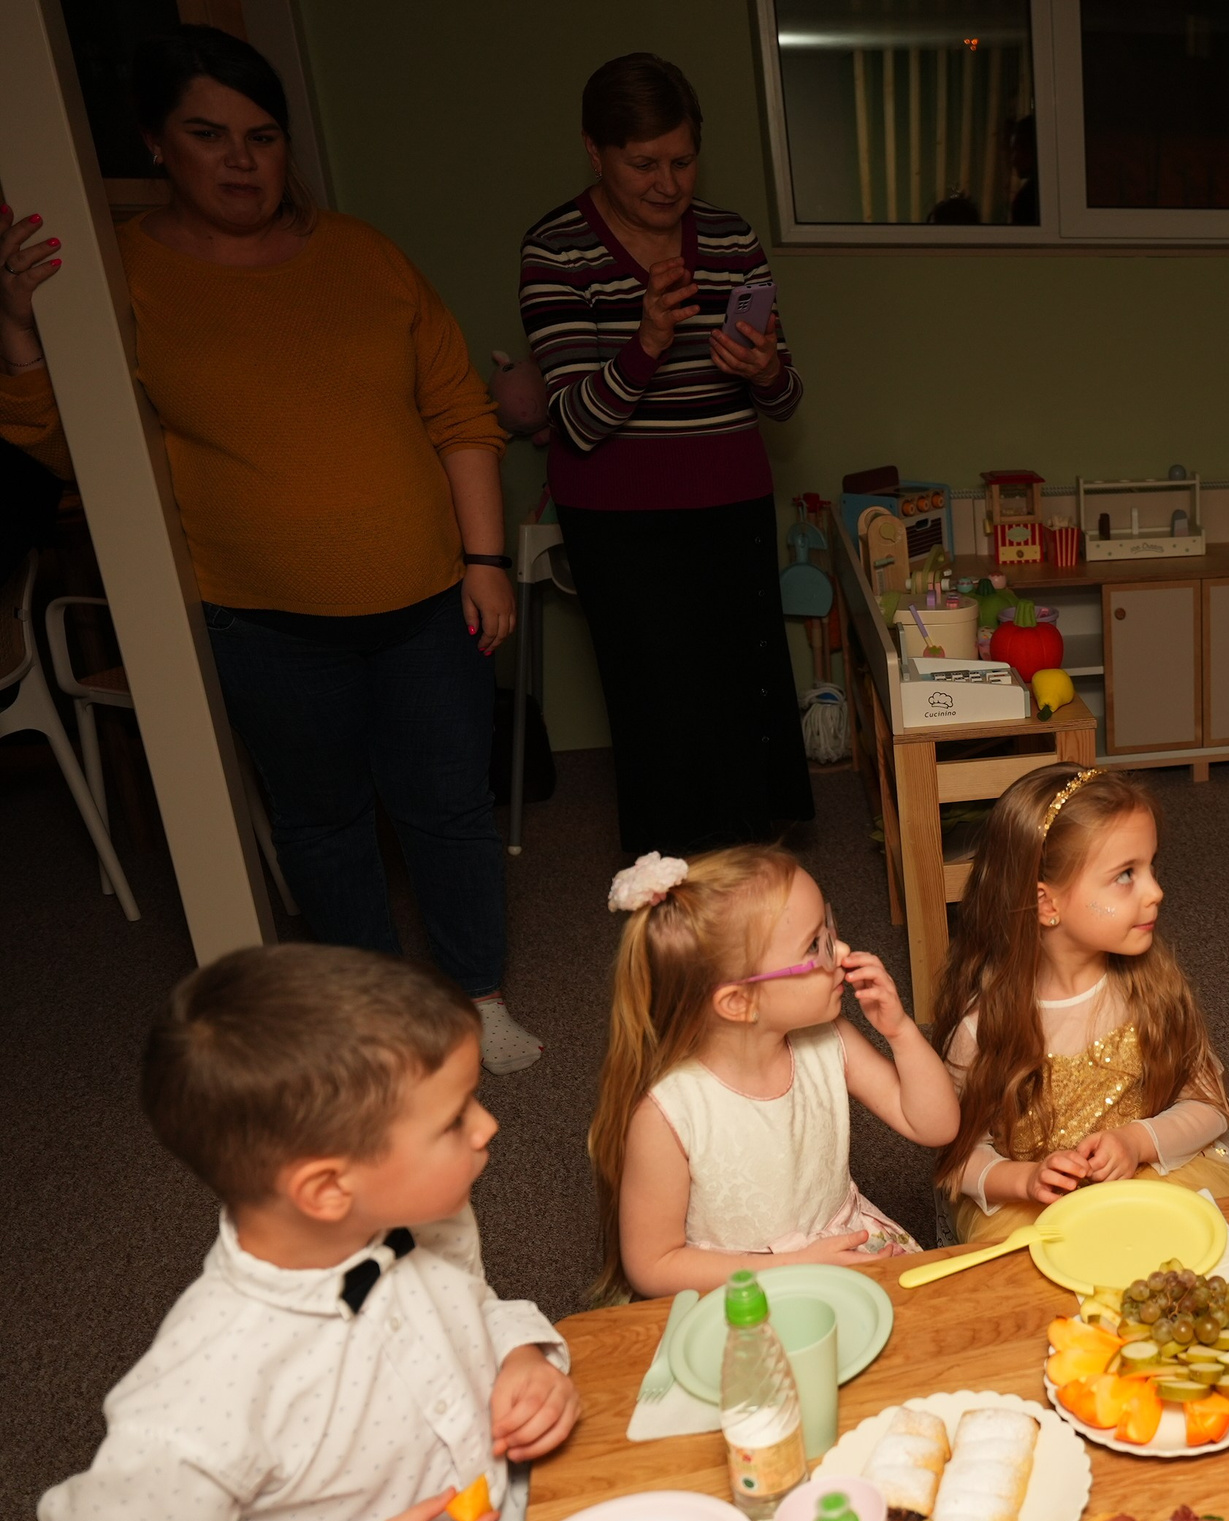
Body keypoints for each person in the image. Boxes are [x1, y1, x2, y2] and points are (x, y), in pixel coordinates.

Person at [0, 28, 542, 1072]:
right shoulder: (122, 276)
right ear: (158, 144)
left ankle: (480, 995)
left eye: (262, 136)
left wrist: (485, 561)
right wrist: (24, 341)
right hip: (259, 618)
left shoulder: (365, 256)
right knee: (324, 823)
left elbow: (460, 415)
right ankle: (376, 1026)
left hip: (428, 598)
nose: (241, 159)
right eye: (209, 134)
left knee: (449, 807)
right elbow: (85, 455)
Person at [39, 944, 579, 1521]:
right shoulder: (197, 1403)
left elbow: (468, 1302)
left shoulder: (416, 1206)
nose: (487, 1126)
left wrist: (521, 1349)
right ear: (328, 1188)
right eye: (456, 1117)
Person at [519, 53, 811, 858]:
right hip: (619, 517)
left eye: (682, 160)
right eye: (643, 163)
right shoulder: (556, 250)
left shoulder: (730, 237)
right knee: (656, 697)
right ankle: (670, 875)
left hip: (730, 493)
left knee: (742, 688)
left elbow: (786, 404)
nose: (667, 182)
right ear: (595, 151)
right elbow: (575, 423)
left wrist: (766, 369)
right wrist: (647, 341)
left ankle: (753, 866)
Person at [585, 847, 957, 1301]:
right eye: (813, 947)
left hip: (842, 1248)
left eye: (829, 930)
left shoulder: (825, 1037)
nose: (840, 951)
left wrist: (900, 1032)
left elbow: (936, 1126)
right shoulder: (669, 1113)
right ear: (740, 1002)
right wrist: (793, 1267)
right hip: (740, 1289)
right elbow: (652, 1265)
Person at [934, 765, 1229, 1244]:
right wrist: (1025, 1179)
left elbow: (1210, 1104)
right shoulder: (982, 1027)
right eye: (1126, 875)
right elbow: (957, 1158)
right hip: (1034, 1212)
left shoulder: (1152, 989)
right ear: (1047, 904)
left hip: (1149, 1179)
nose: (1156, 891)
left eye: (1151, 867)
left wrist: (1137, 1141)